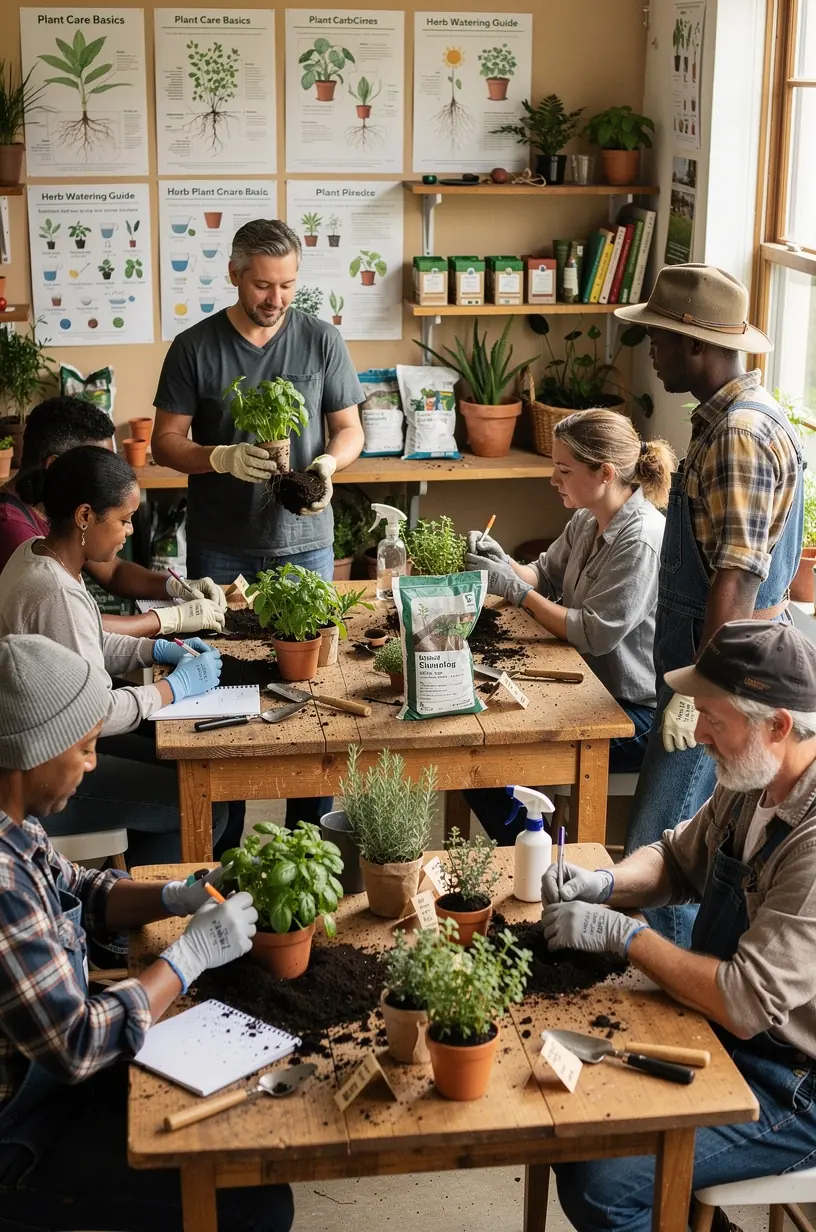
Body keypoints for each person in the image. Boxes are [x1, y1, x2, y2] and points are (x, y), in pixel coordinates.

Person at [0, 632, 293, 1232]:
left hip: (55, 1086)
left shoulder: (17, 829)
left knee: (245, 1142)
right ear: (35, 752)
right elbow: (79, 1043)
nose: (91, 764)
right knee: (256, 1204)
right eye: (83, 749)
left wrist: (173, 896)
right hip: (22, 1137)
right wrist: (188, 957)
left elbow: (78, 886)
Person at [541, 619, 816, 1232]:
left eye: (713, 718)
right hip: (726, 1033)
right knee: (567, 1117)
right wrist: (606, 884)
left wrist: (626, 936)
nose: (698, 734)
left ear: (777, 726)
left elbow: (745, 1000)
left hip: (794, 1082)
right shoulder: (754, 778)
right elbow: (674, 858)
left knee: (602, 1183)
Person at [152, 217, 365, 840]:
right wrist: (217, 456)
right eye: (263, 286)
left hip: (306, 545)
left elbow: (349, 429)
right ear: (236, 276)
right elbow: (166, 442)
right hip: (222, 550)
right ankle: (222, 840)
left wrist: (327, 464)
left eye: (288, 285)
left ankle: (310, 836)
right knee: (219, 698)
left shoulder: (321, 339)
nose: (276, 299)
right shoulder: (196, 347)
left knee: (311, 704)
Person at [612, 263, 804, 947]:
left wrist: (705, 692)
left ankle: (677, 1030)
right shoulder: (729, 420)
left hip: (720, 676)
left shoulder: (739, 435)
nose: (651, 353)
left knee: (665, 856)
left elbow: (737, 576)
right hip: (712, 671)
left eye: (659, 339)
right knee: (687, 851)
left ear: (696, 344)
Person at [0, 445, 226, 865]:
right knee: (204, 807)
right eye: (123, 520)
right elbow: (96, 713)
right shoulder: (54, 593)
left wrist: (152, 650)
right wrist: (171, 689)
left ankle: (121, 887)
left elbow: (85, 646)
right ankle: (131, 915)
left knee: (176, 765)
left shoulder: (37, 553)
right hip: (44, 770)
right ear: (85, 516)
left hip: (47, 745)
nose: (127, 532)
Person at [464, 409, 675, 841]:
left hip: (633, 711)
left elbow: (593, 634)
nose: (553, 480)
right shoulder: (586, 518)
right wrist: (500, 560)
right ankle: (532, 846)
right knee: (475, 742)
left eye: (564, 470)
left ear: (605, 473)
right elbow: (541, 575)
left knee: (491, 756)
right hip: (587, 687)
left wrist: (517, 592)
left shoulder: (642, 539)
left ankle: (536, 854)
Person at [0, 395, 227, 637]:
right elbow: (72, 626)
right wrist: (169, 619)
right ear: (55, 467)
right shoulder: (13, 531)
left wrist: (176, 586)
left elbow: (113, 571)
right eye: (99, 468)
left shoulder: (58, 513)